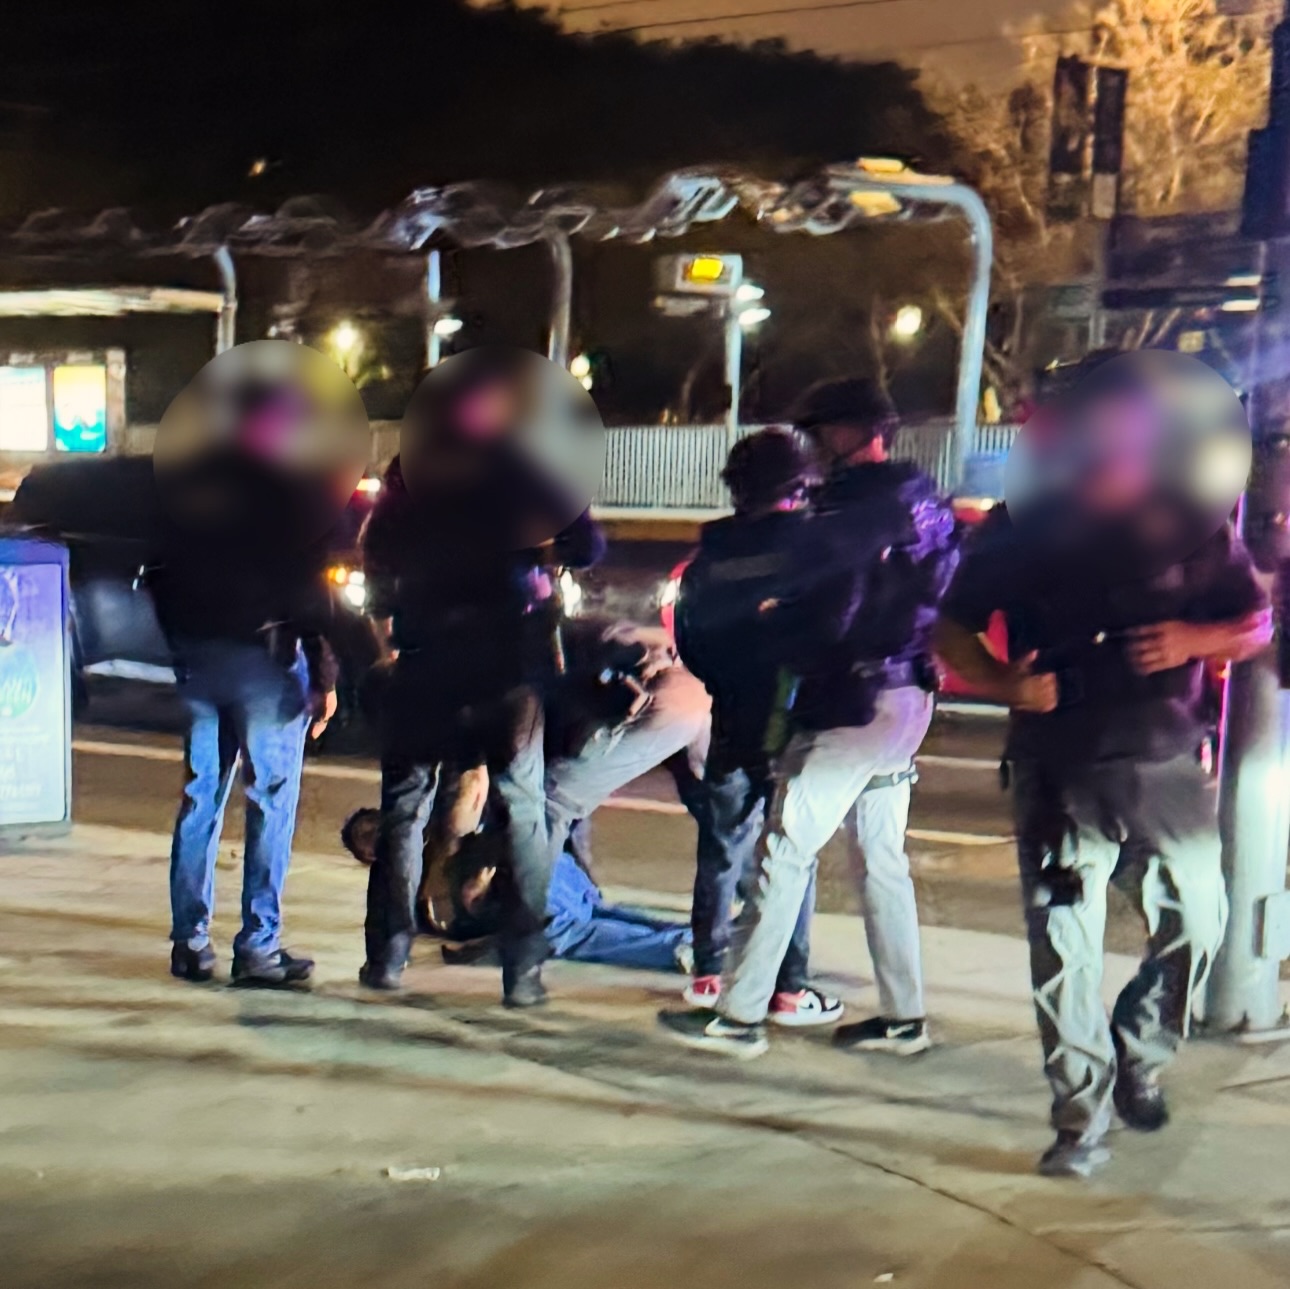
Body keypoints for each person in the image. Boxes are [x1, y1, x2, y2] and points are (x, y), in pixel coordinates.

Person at [933, 355, 1271, 1178]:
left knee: (1198, 922)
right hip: (1057, 770)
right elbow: (951, 626)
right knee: (1063, 950)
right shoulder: (1023, 524)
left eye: (1132, 428)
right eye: (1101, 426)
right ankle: (1079, 1118)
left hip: (1163, 766)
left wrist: (1196, 640)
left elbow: (1254, 619)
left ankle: (1141, 1048)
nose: (1115, 441)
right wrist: (1006, 680)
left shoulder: (1189, 518)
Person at [661, 378, 955, 1058]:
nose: (816, 444)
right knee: (881, 860)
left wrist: (778, 626)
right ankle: (903, 1017)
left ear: (860, 430)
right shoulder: (923, 500)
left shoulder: (853, 514)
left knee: (783, 851)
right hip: (906, 692)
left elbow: (831, 607)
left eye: (823, 429)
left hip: (852, 700)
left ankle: (737, 1016)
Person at [357, 451, 604, 1007]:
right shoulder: (524, 474)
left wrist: (388, 649)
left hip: (425, 666)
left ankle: (387, 958)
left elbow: (376, 579)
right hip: (507, 671)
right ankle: (522, 973)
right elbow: (587, 547)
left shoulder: (406, 482)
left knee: (404, 810)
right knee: (523, 812)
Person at [153, 399, 341, 989]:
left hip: (201, 661)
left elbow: (157, 572)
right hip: (266, 662)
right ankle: (257, 946)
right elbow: (311, 593)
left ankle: (189, 942)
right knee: (270, 801)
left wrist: (183, 644)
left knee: (200, 799)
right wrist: (328, 672)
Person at [674, 428, 842, 1026]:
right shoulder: (812, 550)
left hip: (730, 714)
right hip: (792, 718)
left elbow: (687, 641)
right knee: (789, 853)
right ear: (797, 486)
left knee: (721, 847)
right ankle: (788, 986)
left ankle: (707, 973)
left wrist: (725, 680)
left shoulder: (710, 557)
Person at [342, 767, 693, 974]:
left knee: (562, 932)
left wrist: (484, 871)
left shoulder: (435, 821)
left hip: (536, 873)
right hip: (547, 876)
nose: (375, 839)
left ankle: (685, 947)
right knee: (597, 916)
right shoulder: (408, 887)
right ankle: (703, 939)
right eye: (367, 844)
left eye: (371, 828)